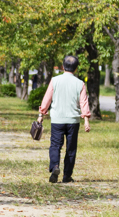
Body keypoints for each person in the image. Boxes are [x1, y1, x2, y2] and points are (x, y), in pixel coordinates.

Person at [36, 55, 92, 183]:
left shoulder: (55, 81)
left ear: (63, 66)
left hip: (57, 119)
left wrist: (41, 114)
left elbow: (47, 99)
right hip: (73, 121)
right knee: (71, 149)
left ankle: (55, 166)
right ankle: (67, 176)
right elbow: (84, 103)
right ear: (76, 68)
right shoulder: (80, 83)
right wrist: (86, 120)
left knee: (55, 146)